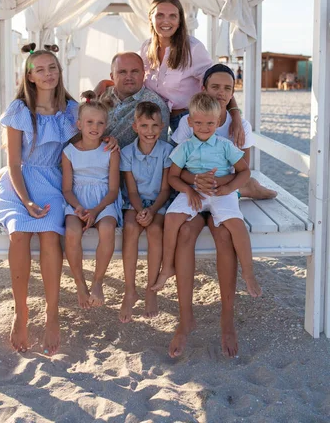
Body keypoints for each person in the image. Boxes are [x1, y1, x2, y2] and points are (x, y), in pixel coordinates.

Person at [0, 43, 78, 356]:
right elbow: (12, 164)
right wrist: (26, 202)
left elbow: (84, 146)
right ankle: (21, 312)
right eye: (41, 70)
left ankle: (52, 314)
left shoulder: (71, 109)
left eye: (52, 68)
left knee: (51, 237)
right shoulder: (19, 110)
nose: (48, 74)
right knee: (20, 235)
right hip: (21, 184)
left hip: (54, 181)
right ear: (30, 76)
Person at [152, 93, 262, 302]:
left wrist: (229, 187)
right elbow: (173, 177)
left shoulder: (225, 145)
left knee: (236, 224)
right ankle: (167, 267)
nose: (204, 127)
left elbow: (244, 172)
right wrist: (189, 190)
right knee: (171, 218)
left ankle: (248, 273)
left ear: (218, 121)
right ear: (190, 122)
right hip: (194, 191)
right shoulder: (185, 147)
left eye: (210, 123)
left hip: (222, 193)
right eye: (199, 123)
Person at [141, 0, 244, 144]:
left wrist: (235, 116)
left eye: (172, 16)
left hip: (188, 119)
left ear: (180, 20)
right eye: (160, 15)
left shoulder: (193, 48)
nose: (166, 21)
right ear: (151, 18)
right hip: (157, 119)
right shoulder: (146, 48)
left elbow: (217, 84)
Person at [172, 64, 277, 200]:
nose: (221, 93)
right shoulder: (188, 121)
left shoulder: (242, 126)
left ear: (232, 94)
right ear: (204, 90)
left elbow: (244, 170)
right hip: (193, 182)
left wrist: (216, 182)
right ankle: (246, 190)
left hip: (227, 182)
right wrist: (197, 179)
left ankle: (246, 189)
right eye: (215, 87)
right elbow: (177, 168)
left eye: (227, 88)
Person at [62, 95, 122, 309]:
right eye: (89, 122)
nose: (94, 127)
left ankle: (97, 281)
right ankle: (80, 283)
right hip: (77, 200)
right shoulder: (69, 152)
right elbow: (67, 189)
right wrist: (78, 207)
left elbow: (114, 189)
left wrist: (96, 211)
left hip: (103, 202)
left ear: (106, 126)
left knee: (107, 229)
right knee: (72, 231)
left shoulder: (110, 151)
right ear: (79, 124)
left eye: (100, 123)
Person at [119, 102, 172, 323]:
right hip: (135, 203)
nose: (149, 131)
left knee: (155, 230)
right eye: (144, 125)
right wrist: (141, 210)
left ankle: (151, 291)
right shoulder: (127, 152)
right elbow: (131, 189)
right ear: (135, 127)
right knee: (130, 228)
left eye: (154, 126)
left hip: (159, 202)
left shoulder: (167, 151)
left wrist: (152, 211)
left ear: (162, 127)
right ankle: (129, 290)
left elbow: (165, 189)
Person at [99, 52, 170, 148]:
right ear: (112, 76)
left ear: (143, 74)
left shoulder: (156, 105)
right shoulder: (101, 95)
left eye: (134, 71)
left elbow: (159, 149)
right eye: (122, 72)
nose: (129, 77)